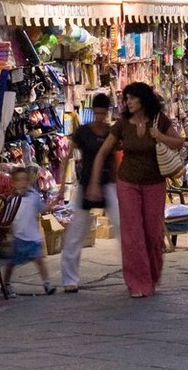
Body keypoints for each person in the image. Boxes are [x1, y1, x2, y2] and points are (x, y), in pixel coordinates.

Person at [86, 81, 184, 298]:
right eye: (126, 98)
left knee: (153, 233)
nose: (128, 102)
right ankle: (137, 282)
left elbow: (179, 142)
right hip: (128, 182)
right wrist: (94, 182)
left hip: (155, 182)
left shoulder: (159, 120)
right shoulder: (122, 124)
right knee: (132, 234)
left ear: (143, 99)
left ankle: (151, 275)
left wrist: (160, 136)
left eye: (132, 97)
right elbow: (103, 152)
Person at [60, 93, 119, 292]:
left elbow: (115, 159)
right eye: (97, 113)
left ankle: (133, 273)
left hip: (108, 183)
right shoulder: (83, 132)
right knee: (76, 232)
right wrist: (62, 186)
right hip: (86, 183)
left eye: (103, 113)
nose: (100, 117)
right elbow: (68, 155)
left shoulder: (111, 132)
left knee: (121, 225)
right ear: (93, 111)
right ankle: (69, 280)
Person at [2, 166, 56, 297]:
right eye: (19, 180)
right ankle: (6, 284)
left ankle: (47, 284)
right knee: (12, 263)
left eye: (25, 180)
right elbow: (7, 219)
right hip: (19, 238)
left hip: (33, 237)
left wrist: (52, 205)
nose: (23, 183)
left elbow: (42, 208)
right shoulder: (12, 200)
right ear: (14, 183)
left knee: (39, 260)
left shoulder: (34, 196)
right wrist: (10, 232)